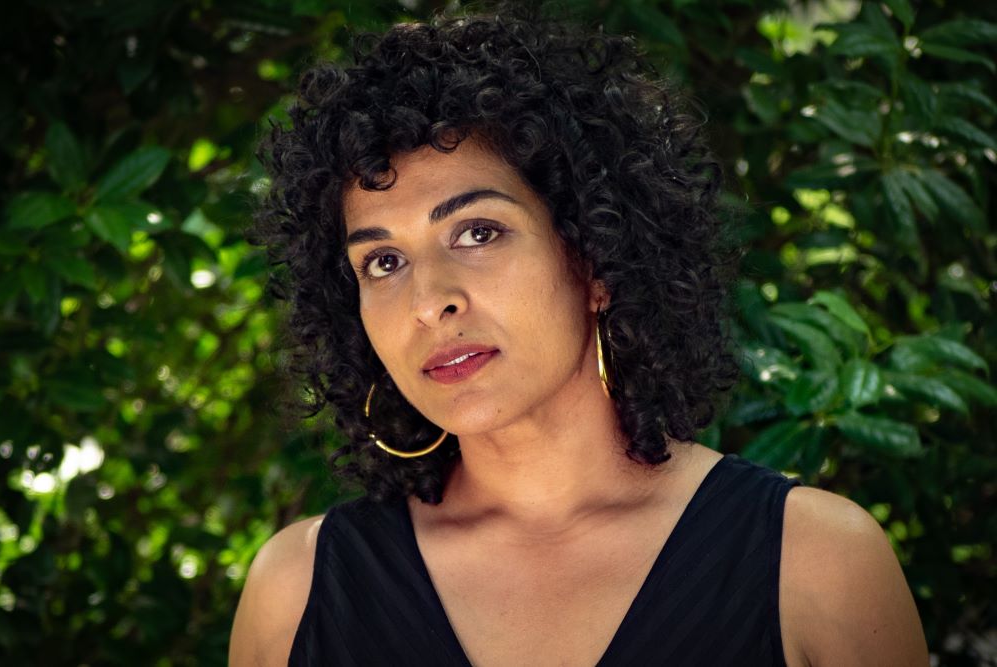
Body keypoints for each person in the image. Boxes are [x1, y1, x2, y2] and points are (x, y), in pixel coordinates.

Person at [231, 5, 929, 666]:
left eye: (477, 231)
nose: (428, 301)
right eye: (383, 261)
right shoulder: (294, 593)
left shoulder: (816, 565)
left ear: (595, 258)